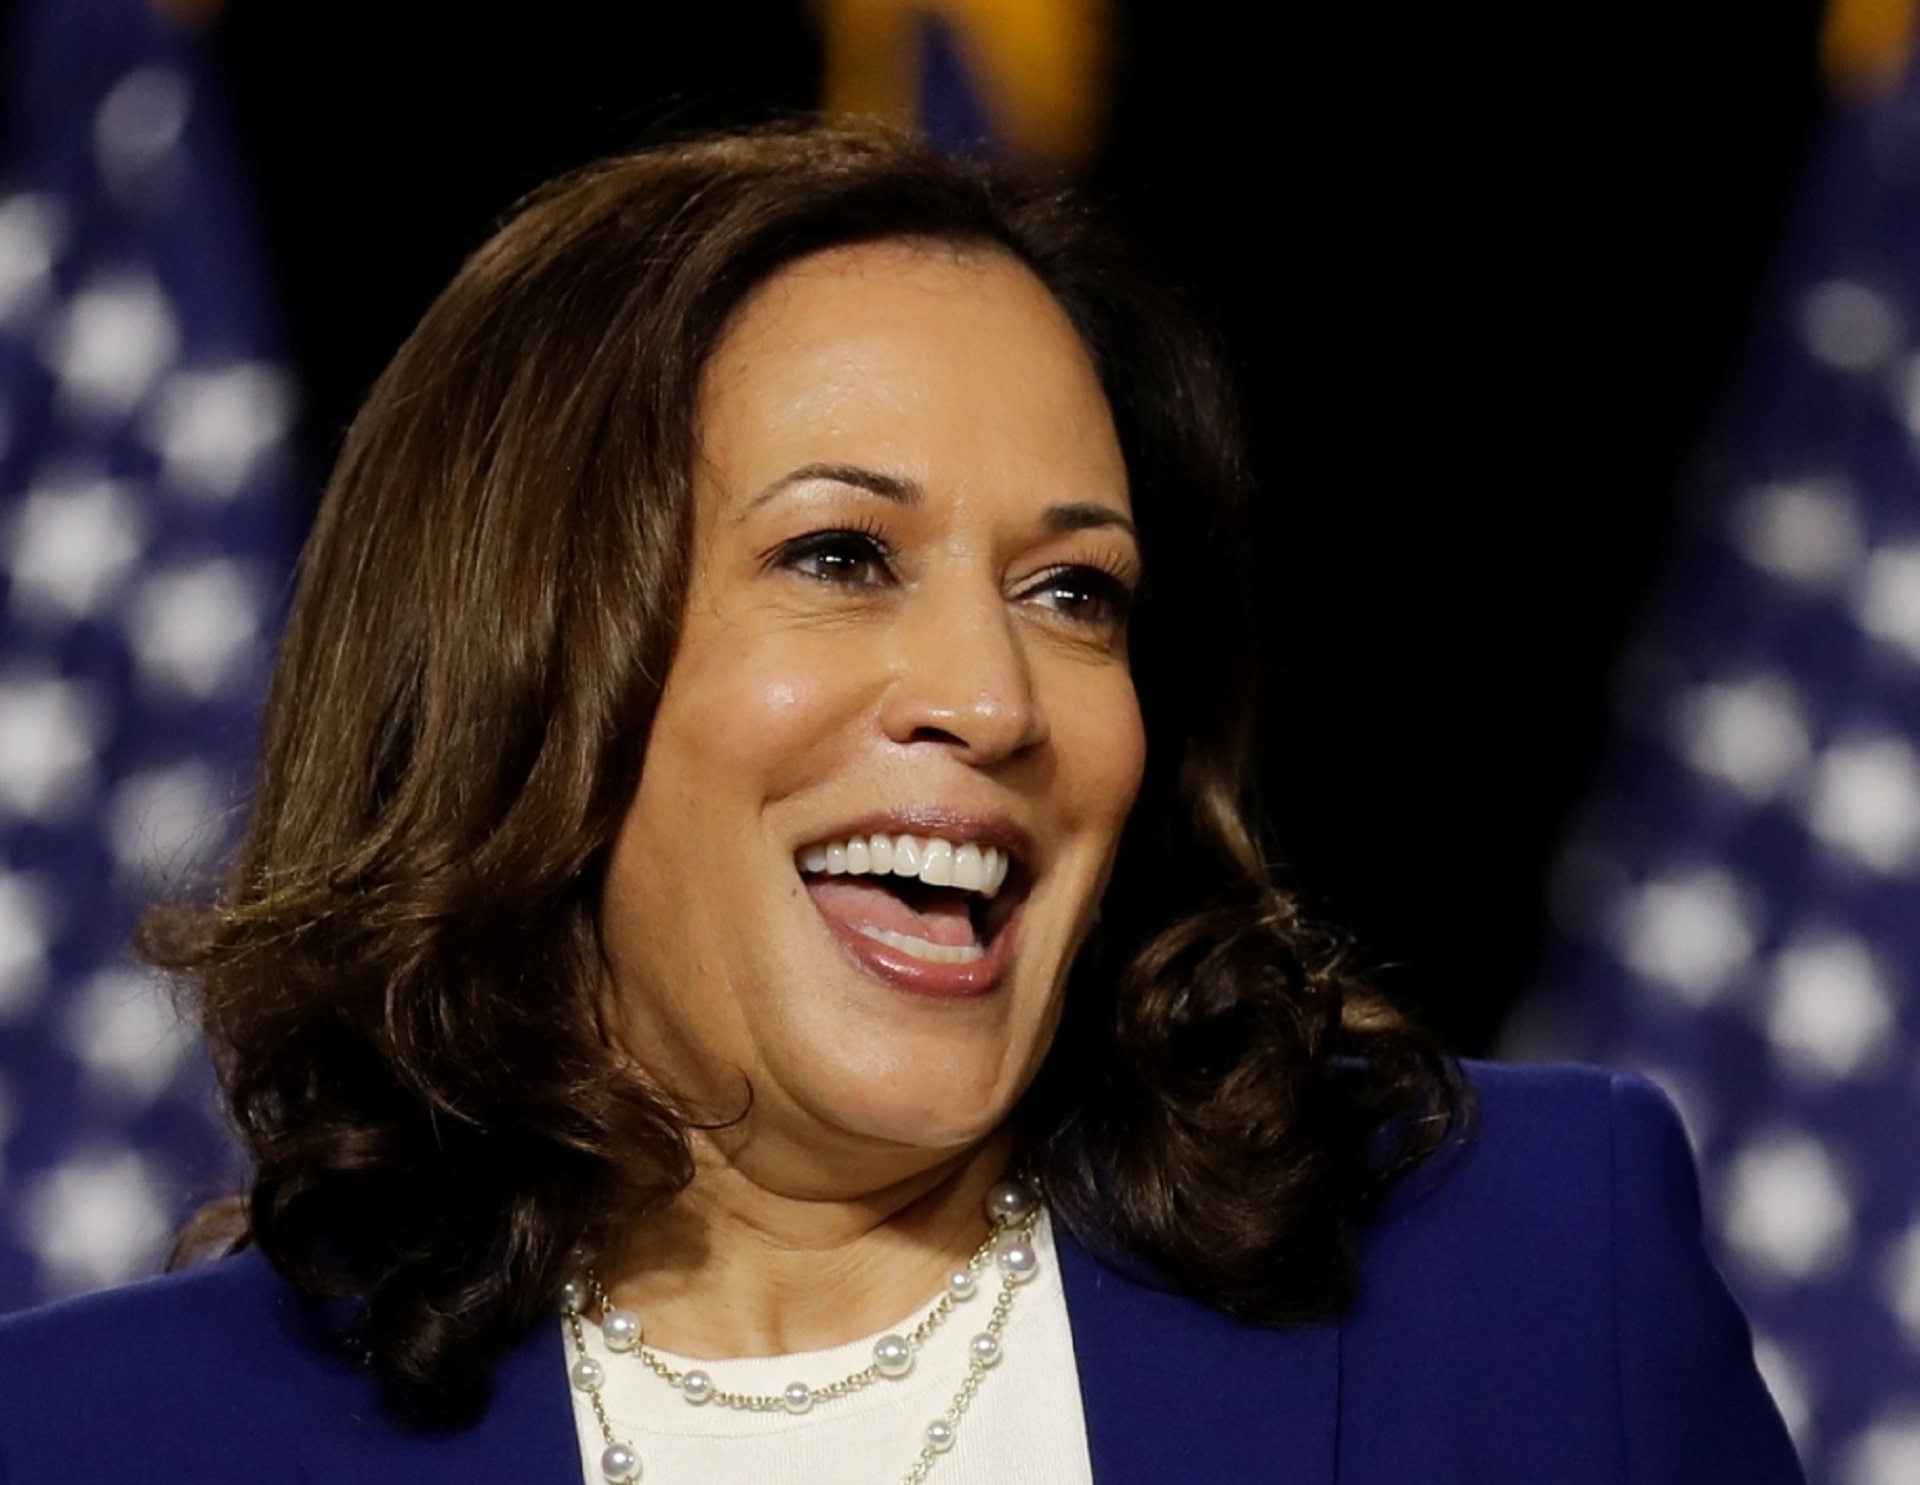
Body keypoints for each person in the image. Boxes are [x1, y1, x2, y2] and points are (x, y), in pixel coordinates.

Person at [0, 125, 1802, 1484]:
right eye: (843, 554)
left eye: (1073, 591)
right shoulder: (103, 1439)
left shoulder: (1540, 1281)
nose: (997, 699)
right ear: (525, 660)